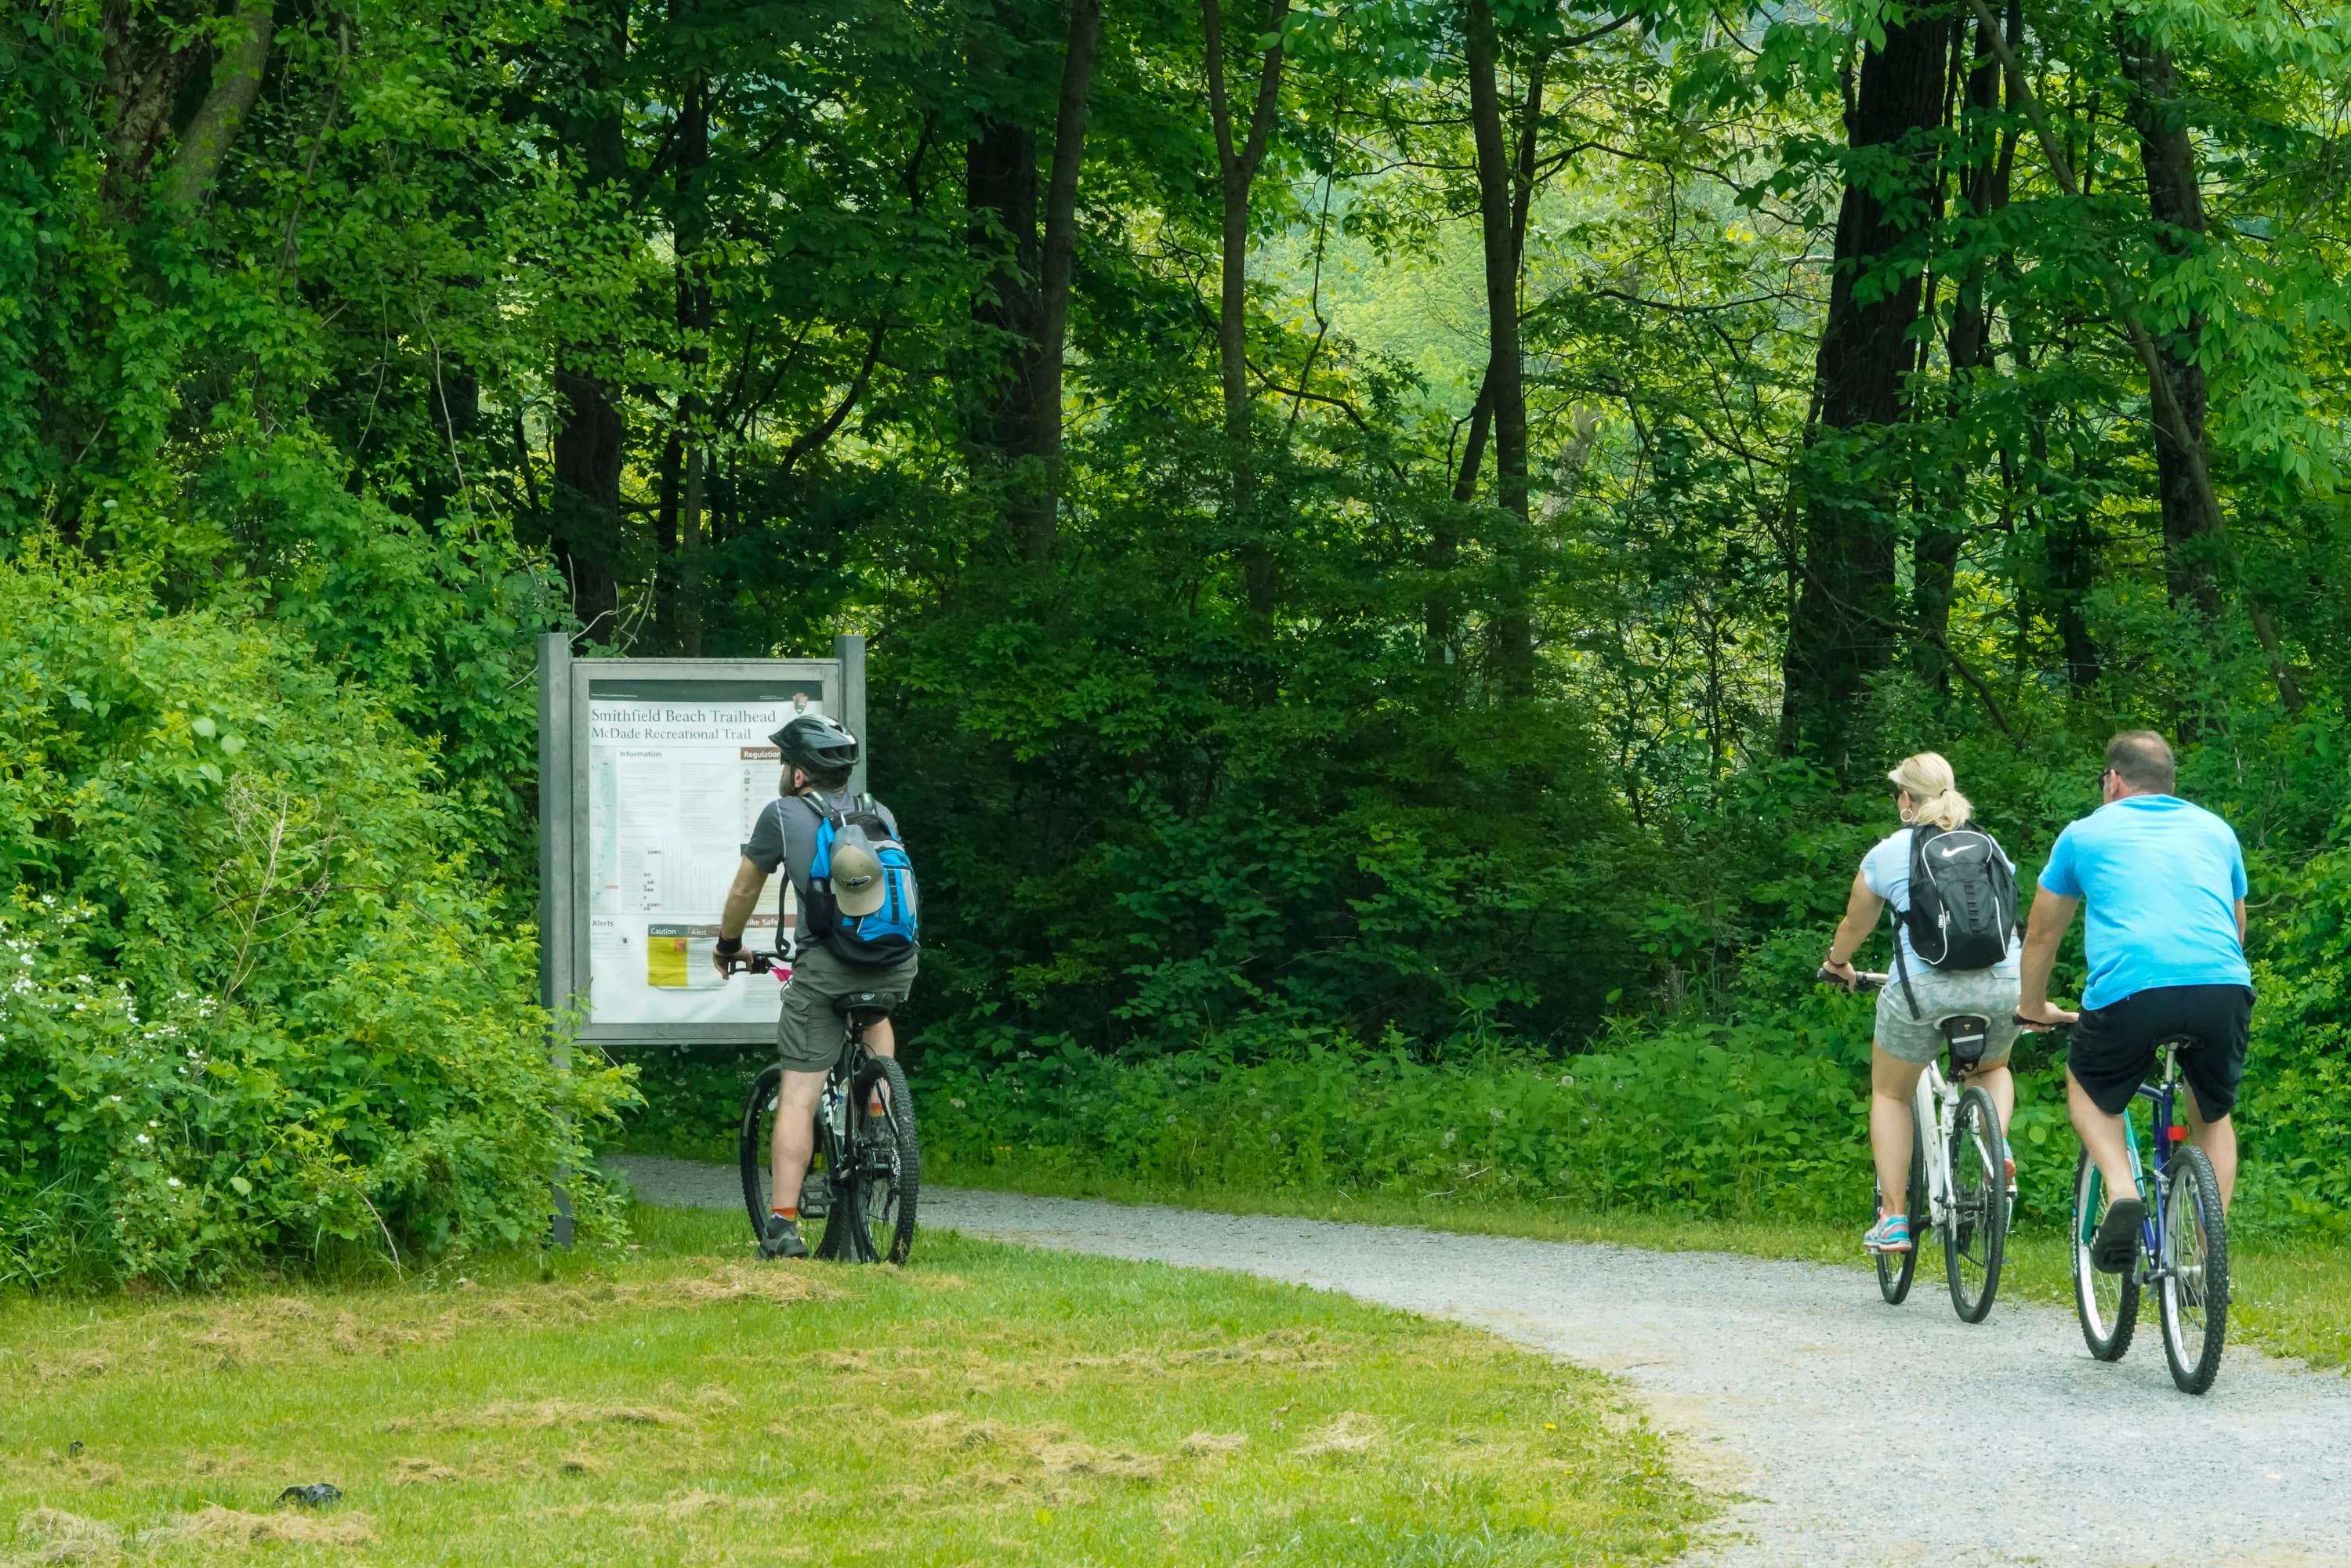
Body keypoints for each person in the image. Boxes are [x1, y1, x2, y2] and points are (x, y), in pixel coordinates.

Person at [2016, 730, 2251, 1272]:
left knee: (2090, 1088)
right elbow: (2236, 925)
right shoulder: (2216, 830)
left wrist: (2033, 1005)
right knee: (2212, 1116)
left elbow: (2043, 935)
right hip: (2223, 983)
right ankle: (2204, 1260)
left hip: (2133, 989)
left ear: (2114, 781)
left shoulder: (2084, 834)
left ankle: (2122, 1189)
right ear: (2170, 782)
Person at [711, 713, 918, 1258]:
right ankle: (878, 1118)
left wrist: (729, 946)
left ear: (800, 773)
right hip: (896, 962)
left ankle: (781, 1228)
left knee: (799, 1093)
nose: (782, 770)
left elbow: (742, 892)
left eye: (785, 761)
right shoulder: (879, 812)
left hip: (827, 968)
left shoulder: (782, 815)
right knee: (876, 1016)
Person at [1823, 752, 2022, 1256]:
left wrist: (1838, 964)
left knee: (1891, 1093)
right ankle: (1994, 1147)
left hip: (1925, 990)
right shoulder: (1989, 846)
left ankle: (1892, 1218)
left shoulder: (1888, 853)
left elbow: (1854, 925)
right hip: (2003, 985)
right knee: (1991, 1066)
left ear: (1907, 801)